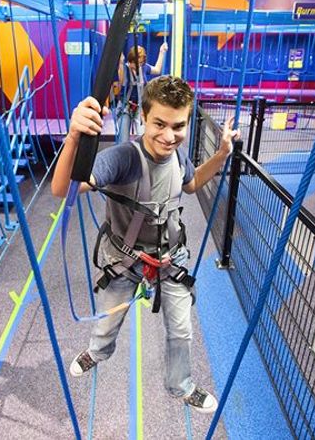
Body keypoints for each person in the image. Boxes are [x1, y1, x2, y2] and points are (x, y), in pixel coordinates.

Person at [51, 75, 239, 414]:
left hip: (170, 257)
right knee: (108, 321)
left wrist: (223, 153)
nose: (169, 136)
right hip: (125, 257)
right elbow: (63, 189)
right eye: (159, 124)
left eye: (178, 126)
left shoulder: (177, 155)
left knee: (182, 330)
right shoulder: (124, 157)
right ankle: (96, 352)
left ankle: (181, 385)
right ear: (143, 119)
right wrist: (74, 137)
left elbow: (193, 182)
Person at [115, 42, 168, 143]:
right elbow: (121, 81)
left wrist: (161, 52)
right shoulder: (125, 68)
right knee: (123, 139)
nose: (138, 65)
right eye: (136, 63)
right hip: (125, 107)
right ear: (130, 61)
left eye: (141, 63)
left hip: (139, 107)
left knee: (142, 137)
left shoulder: (143, 68)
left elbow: (157, 70)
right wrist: (120, 62)